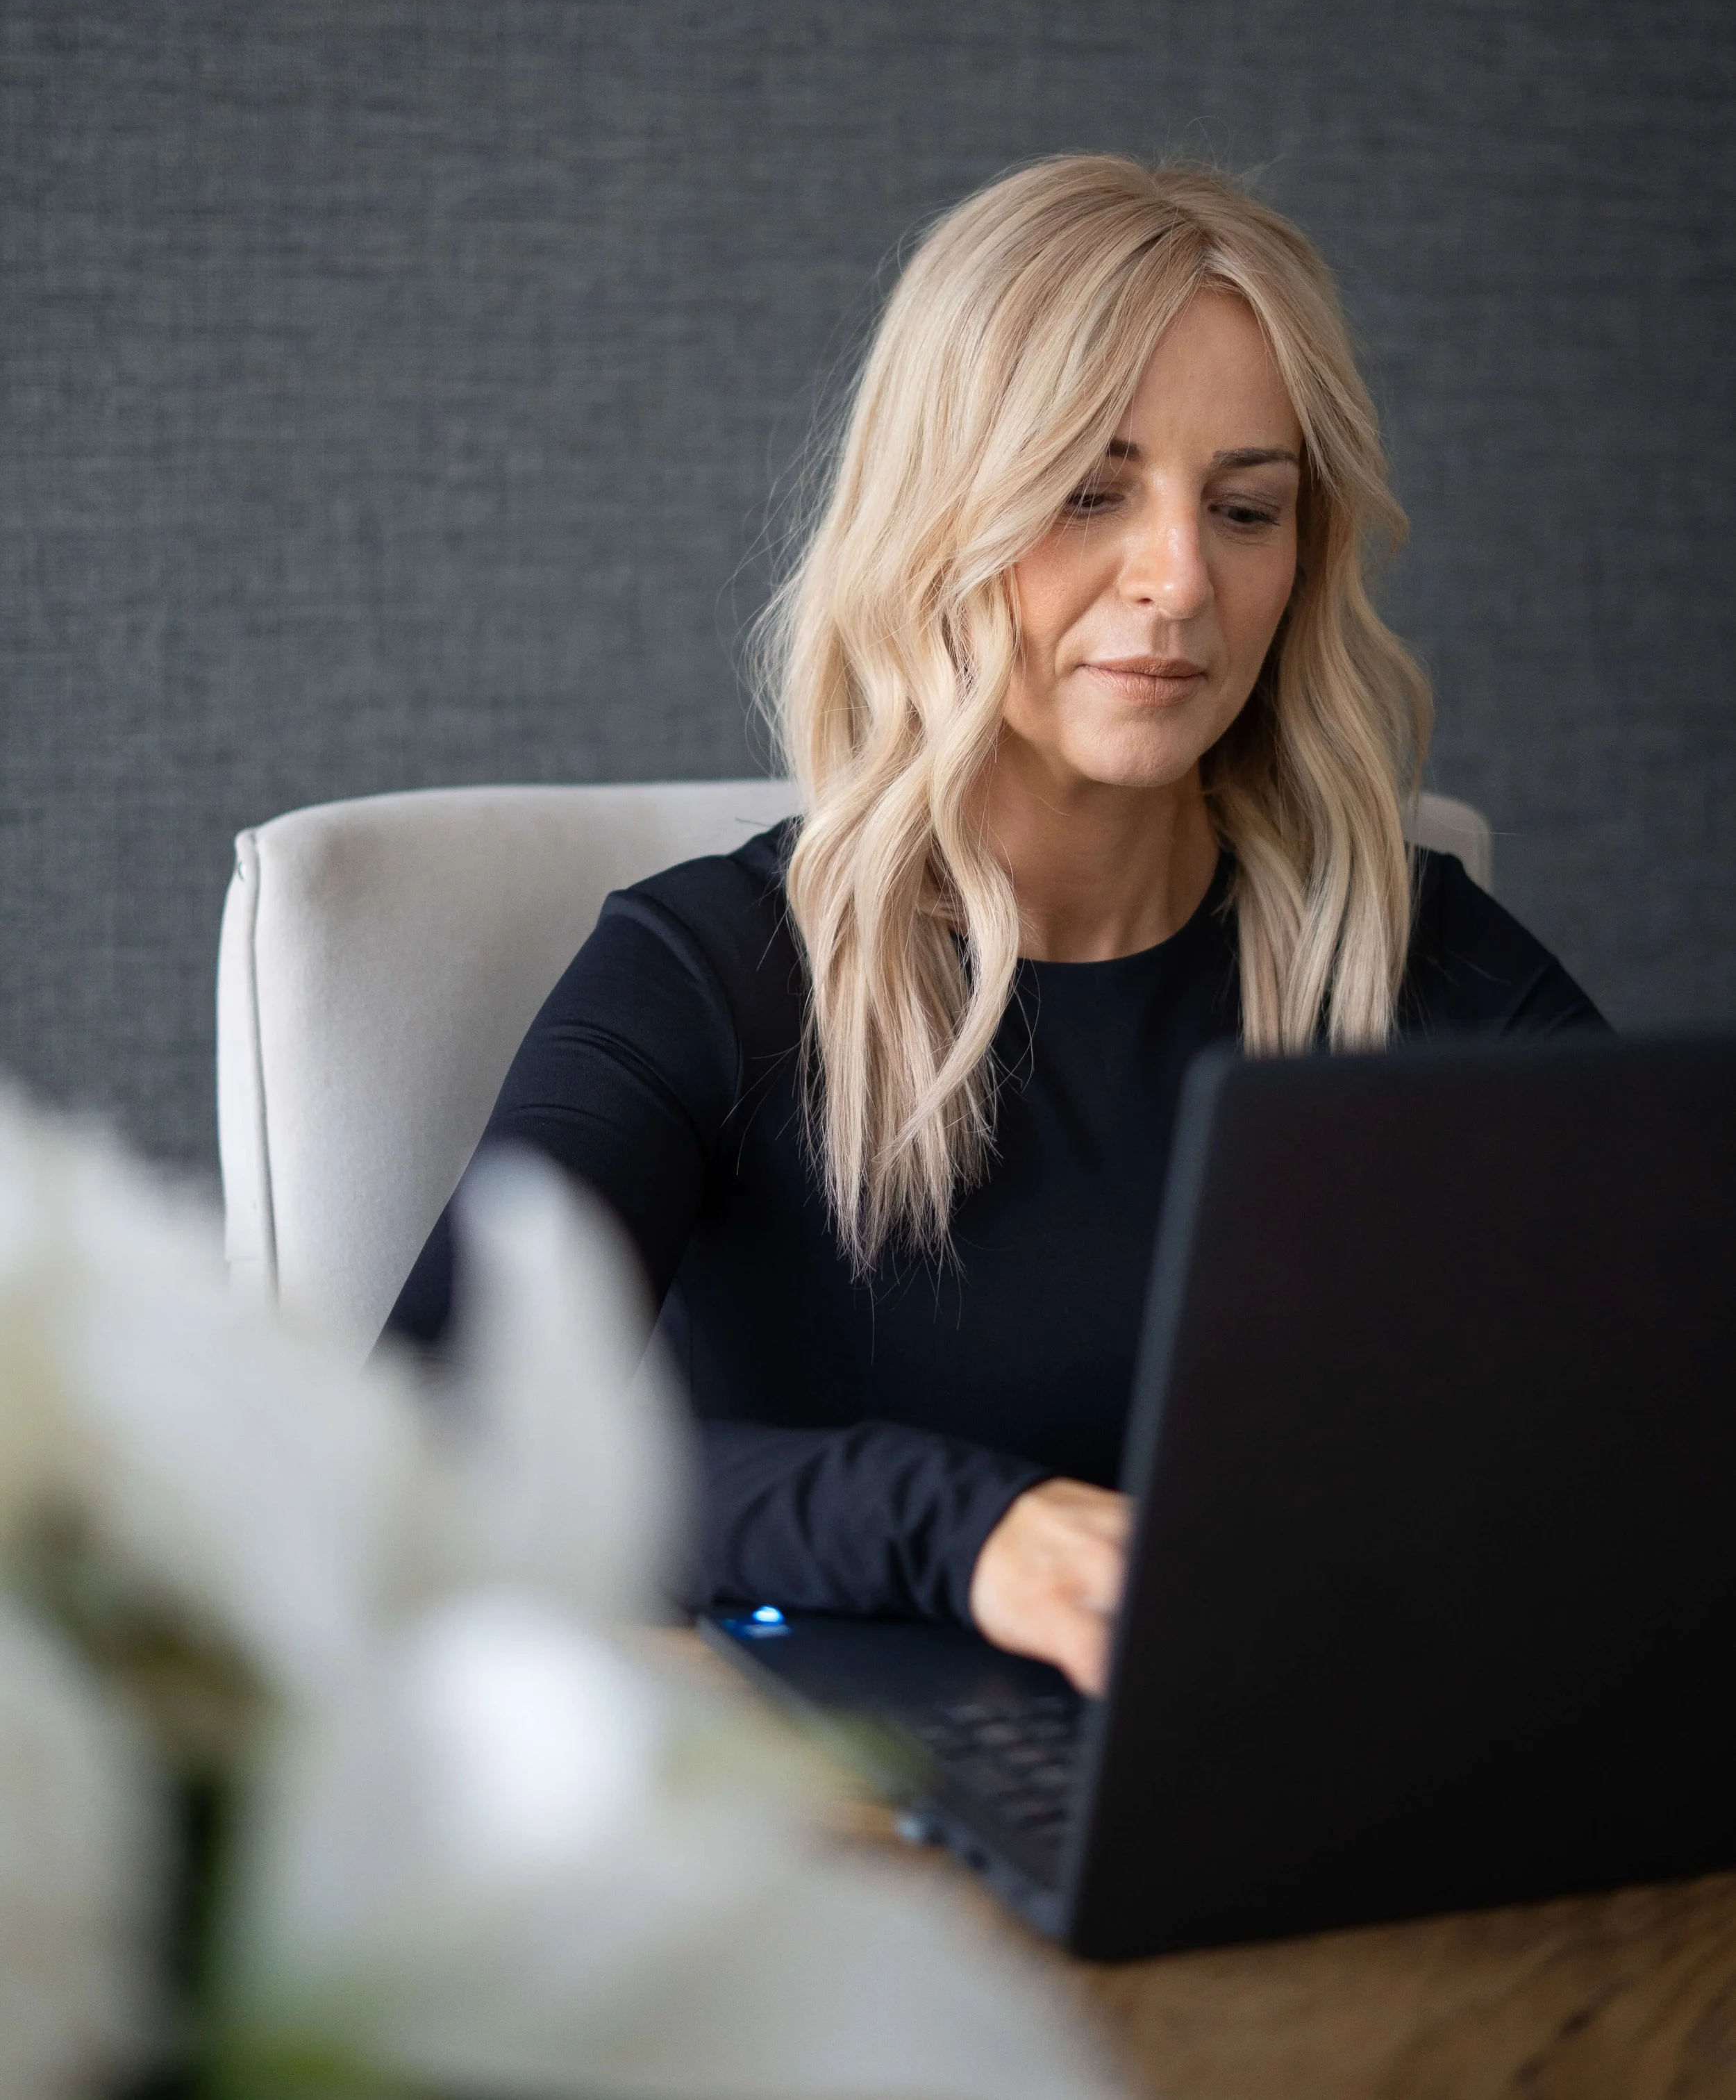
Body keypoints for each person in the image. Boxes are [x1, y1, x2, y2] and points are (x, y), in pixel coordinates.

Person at [386, 156, 1604, 1696]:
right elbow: (422, 1449)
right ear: (936, 523)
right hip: (853, 1848)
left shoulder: (1416, 957)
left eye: (1243, 508)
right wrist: (961, 1528)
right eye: (1089, 492)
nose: (1178, 580)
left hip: (1312, 1781)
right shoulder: (708, 973)